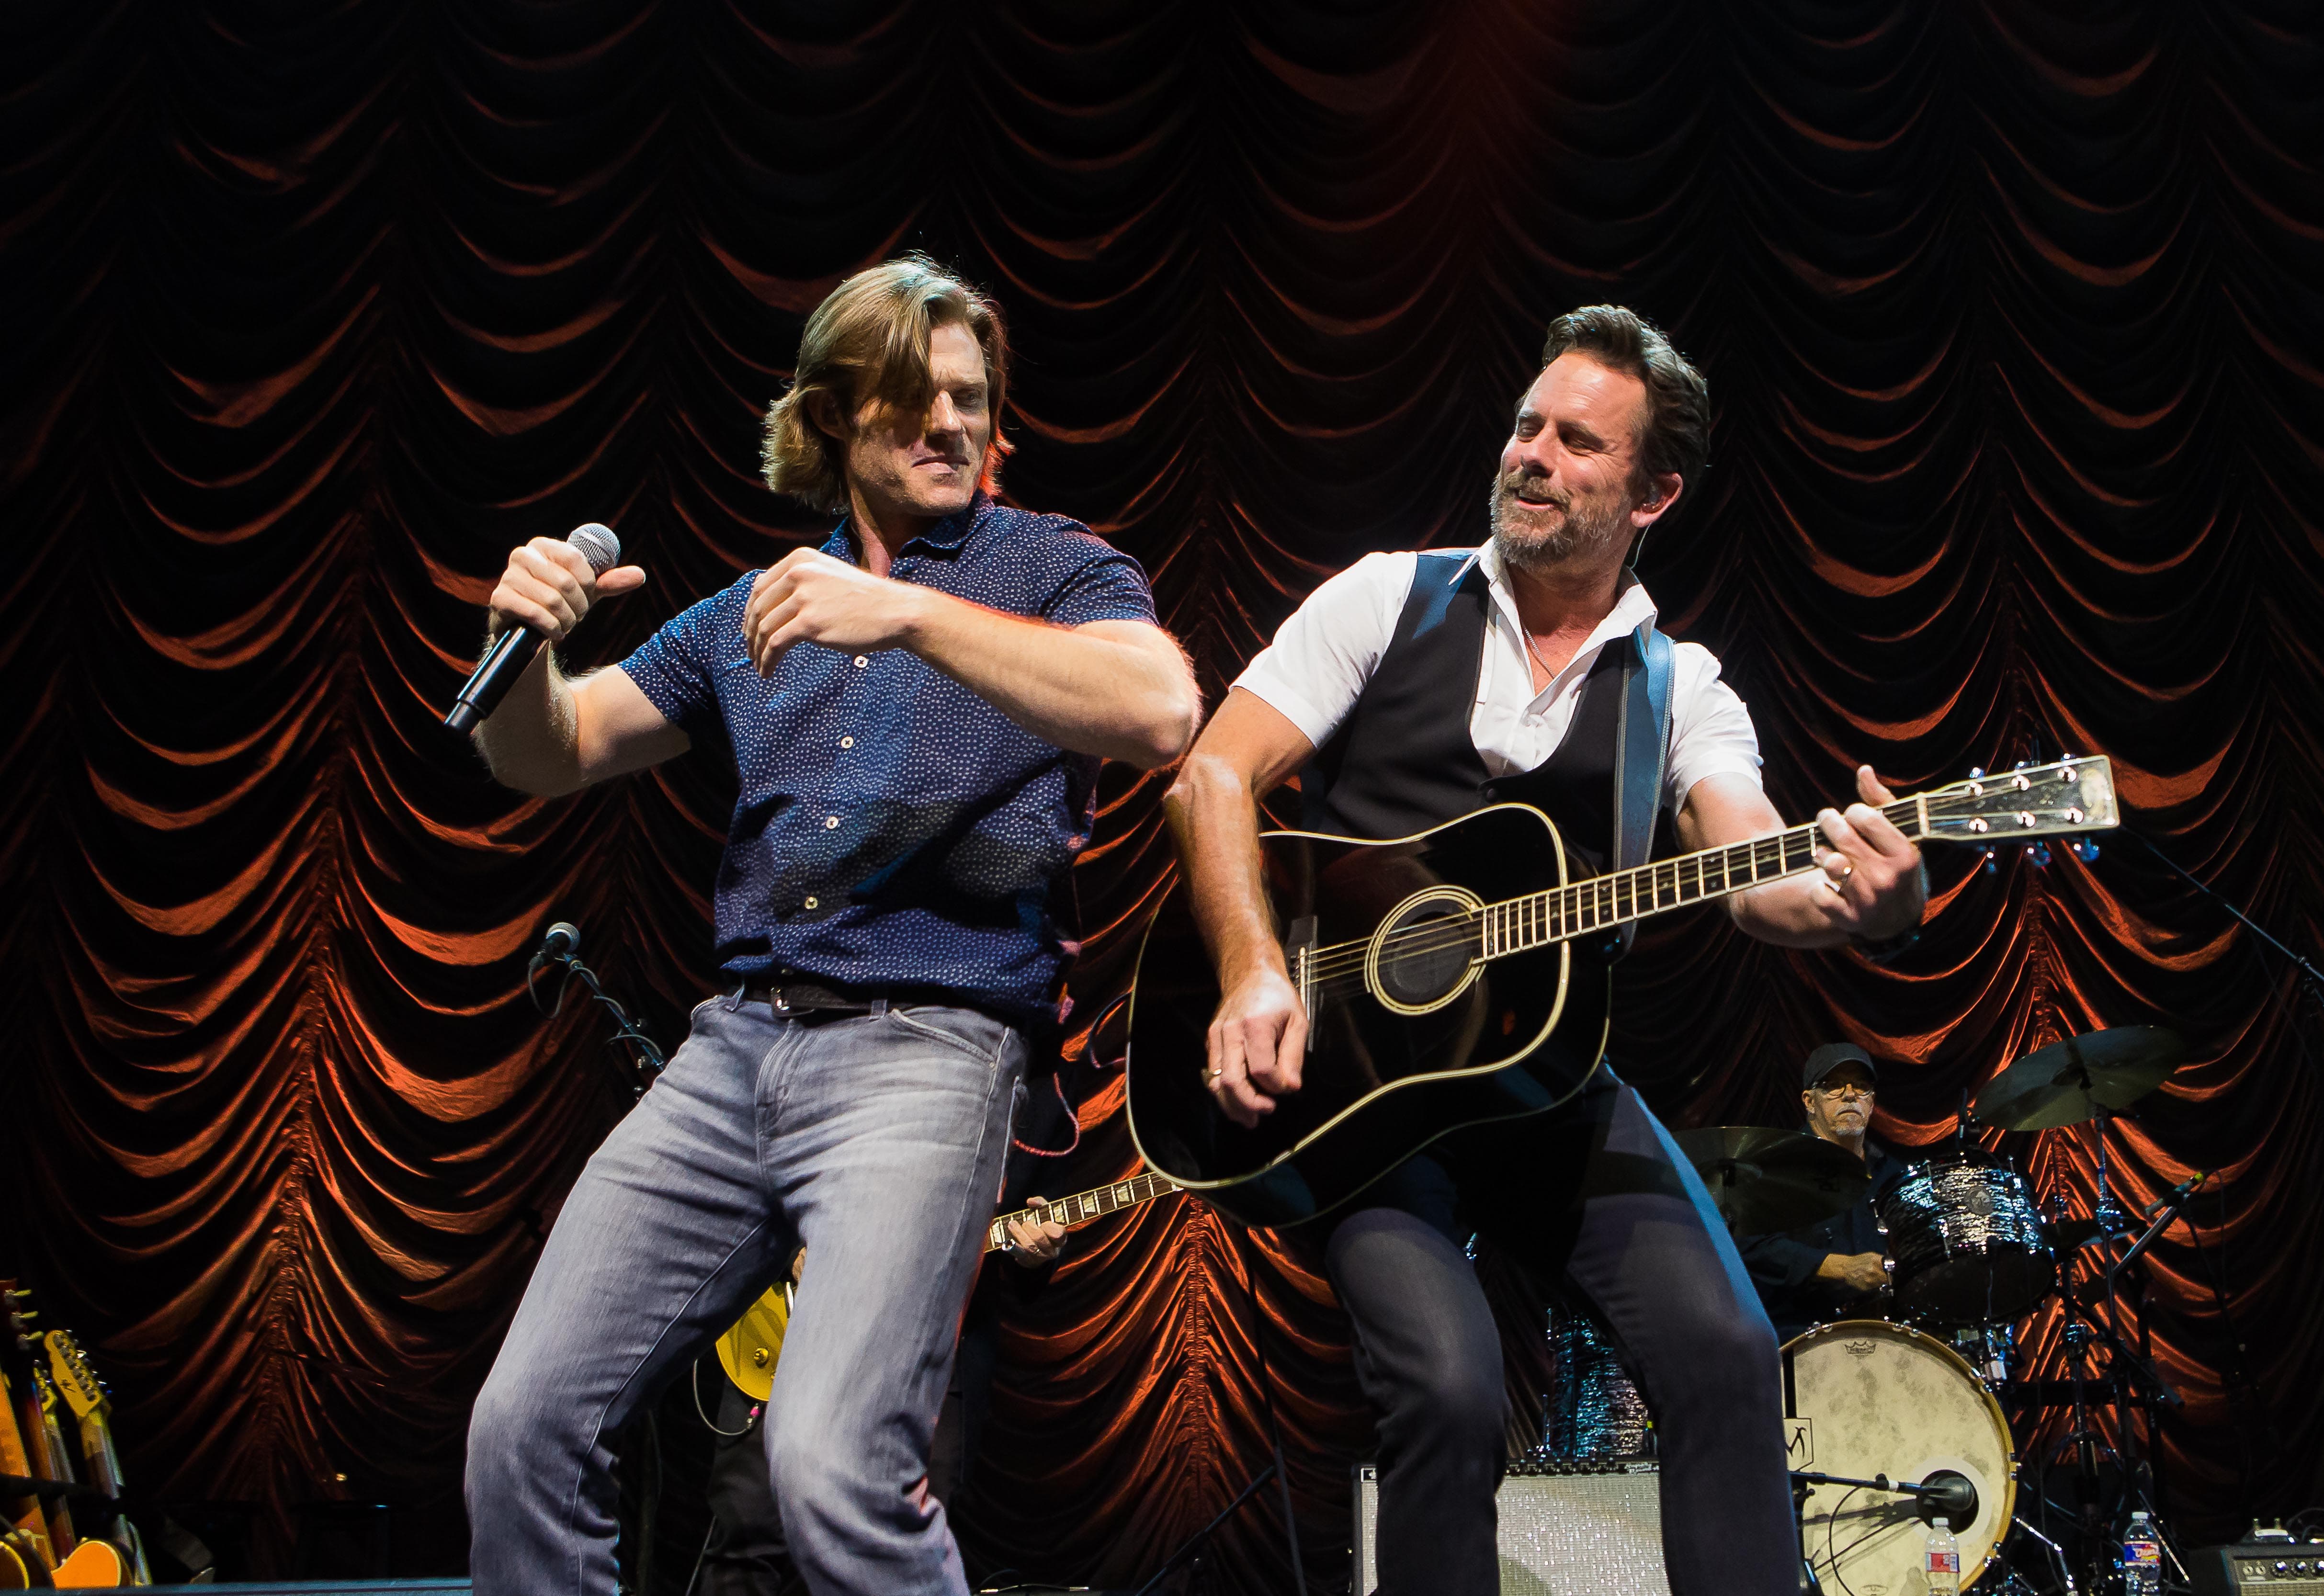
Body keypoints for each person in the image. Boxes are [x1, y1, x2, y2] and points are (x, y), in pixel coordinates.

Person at [461, 255, 1199, 1596]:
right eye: (916, 398)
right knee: (523, 1431)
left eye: (972, 398)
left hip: (930, 1048)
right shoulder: (754, 610)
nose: (952, 423)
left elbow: (1159, 710)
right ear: (830, 419)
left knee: (834, 1461)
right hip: (734, 1050)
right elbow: (548, 752)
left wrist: (910, 613)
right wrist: (526, 645)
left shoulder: (1050, 566)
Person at [1162, 304, 1927, 1596]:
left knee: (1728, 1355)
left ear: (1653, 494)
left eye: (1579, 442)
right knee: (1450, 1392)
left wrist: (1867, 902)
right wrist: (1250, 967)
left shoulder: (1681, 684)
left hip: (1550, 1095)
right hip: (1366, 1104)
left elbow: (1756, 870)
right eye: (1529, 426)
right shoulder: (1386, 596)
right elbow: (1212, 777)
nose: (1533, 455)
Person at [695, 1089, 1076, 1596]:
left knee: (898, 1550)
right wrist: (793, 1248)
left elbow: (1033, 1224)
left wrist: (1037, 1252)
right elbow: (756, 1159)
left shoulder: (1046, 1096)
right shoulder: (847, 1054)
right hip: (800, 1325)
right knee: (748, 1534)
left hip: (929, 1352)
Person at [1734, 1042, 1911, 1344]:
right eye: (1834, 1086)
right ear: (1809, 1101)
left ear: (1871, 1102)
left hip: (1886, 1333)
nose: (1850, 1095)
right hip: (1800, 1337)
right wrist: (1840, 1267)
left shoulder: (1893, 1174)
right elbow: (1750, 1247)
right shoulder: (1777, 1167)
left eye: (1861, 1086)